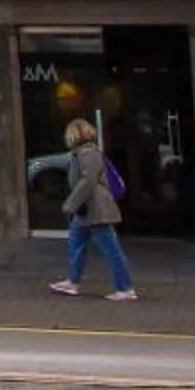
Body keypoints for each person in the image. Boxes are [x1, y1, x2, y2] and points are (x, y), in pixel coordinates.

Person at [49, 118, 138, 303]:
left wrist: (71, 203)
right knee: (75, 244)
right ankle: (72, 282)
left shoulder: (88, 153)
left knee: (111, 249)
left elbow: (88, 181)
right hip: (85, 210)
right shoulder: (80, 153)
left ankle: (125, 288)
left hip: (96, 209)